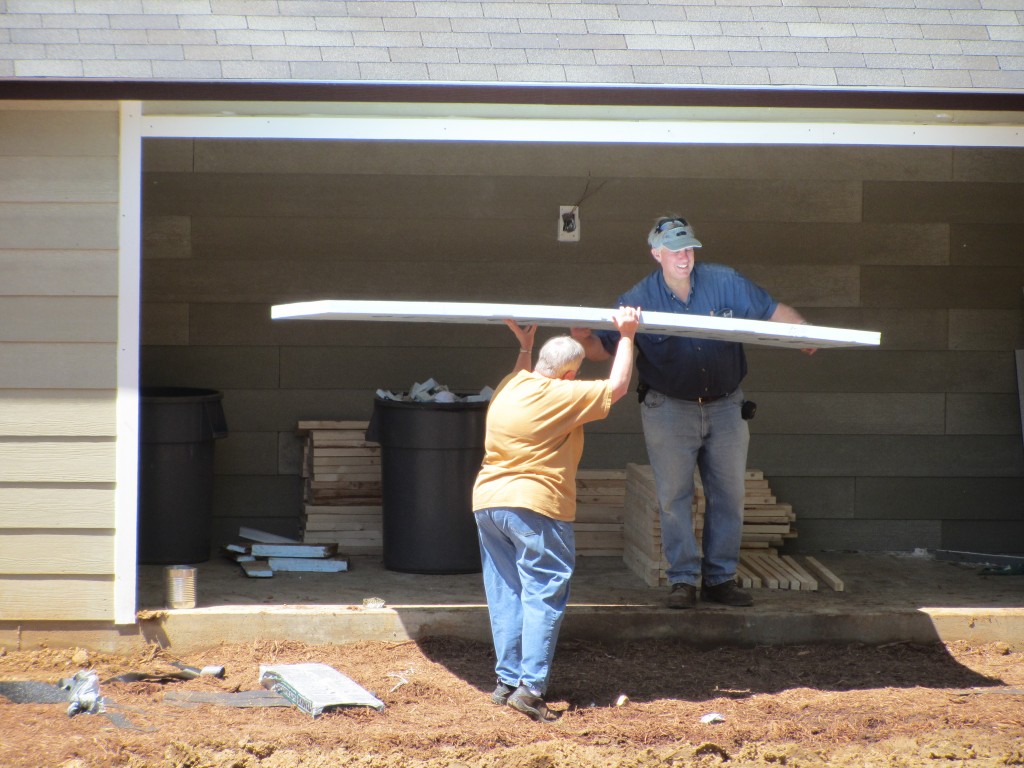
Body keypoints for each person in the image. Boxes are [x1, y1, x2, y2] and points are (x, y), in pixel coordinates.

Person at [572, 216, 814, 611]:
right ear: (657, 254)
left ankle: (720, 579)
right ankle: (683, 580)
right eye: (674, 250)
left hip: (725, 406)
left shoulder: (725, 282)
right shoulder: (637, 298)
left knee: (729, 496)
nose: (683, 257)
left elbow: (771, 310)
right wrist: (582, 340)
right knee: (673, 498)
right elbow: (606, 347)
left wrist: (804, 331)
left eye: (688, 249)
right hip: (668, 408)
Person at [473, 306, 640, 722]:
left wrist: (525, 347)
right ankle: (530, 690)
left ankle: (507, 681)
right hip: (535, 506)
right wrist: (628, 336)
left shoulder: (512, 386)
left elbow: (520, 370)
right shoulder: (563, 395)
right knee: (543, 592)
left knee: (506, 593)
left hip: (489, 503)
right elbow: (618, 386)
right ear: (569, 375)